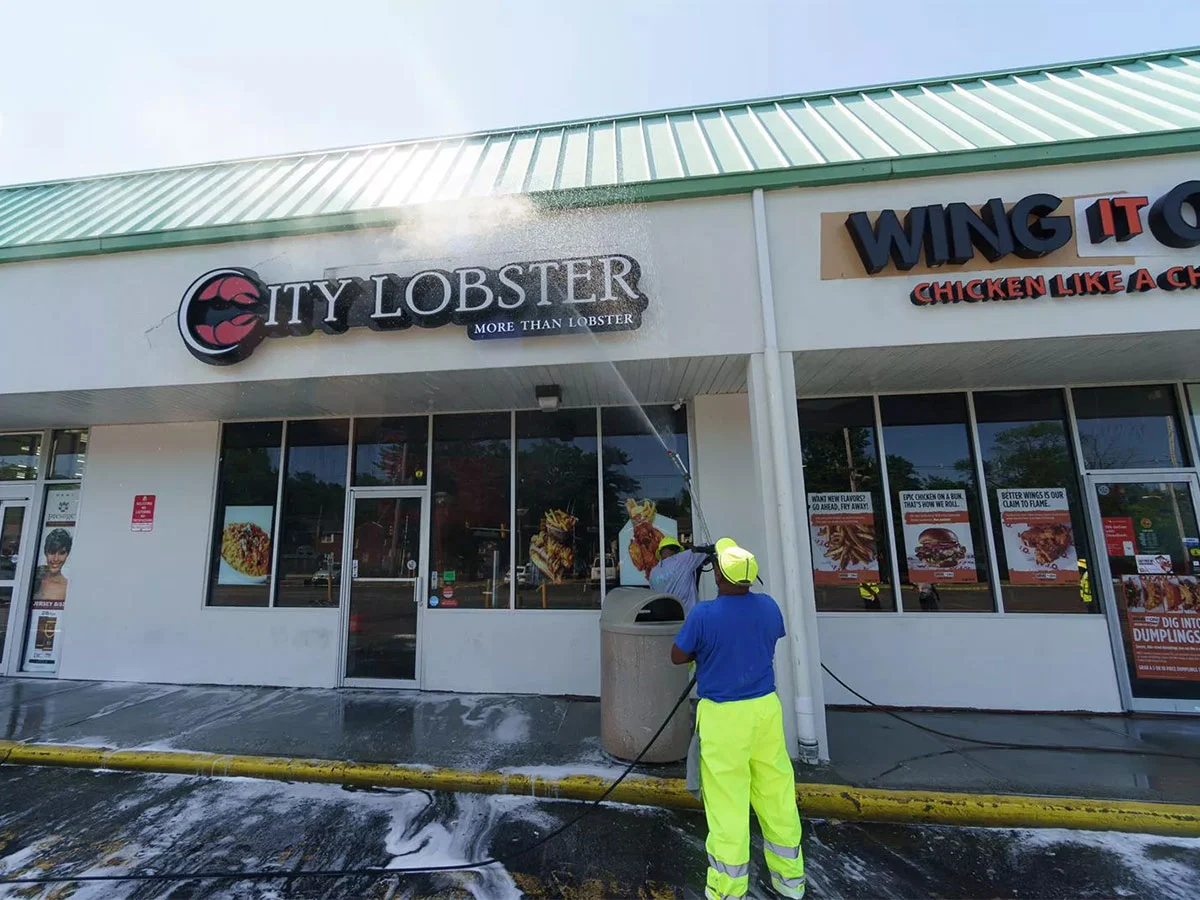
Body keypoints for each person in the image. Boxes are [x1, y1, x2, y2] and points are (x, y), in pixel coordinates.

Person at [670, 538, 805, 900]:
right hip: (765, 711)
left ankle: (728, 891)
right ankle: (791, 883)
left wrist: (705, 645)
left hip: (723, 717)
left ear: (717, 573)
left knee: (728, 805)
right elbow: (768, 636)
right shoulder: (768, 607)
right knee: (776, 796)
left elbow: (677, 656)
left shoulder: (704, 615)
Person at [650, 535, 714, 616]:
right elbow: (706, 548)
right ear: (676, 550)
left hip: (667, 621)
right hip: (688, 618)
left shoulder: (653, 573)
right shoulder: (682, 559)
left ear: (660, 552)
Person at [32, 528, 72, 602]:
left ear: (67, 554)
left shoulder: (68, 587)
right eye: (52, 552)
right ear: (45, 552)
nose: (56, 559)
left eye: (62, 553)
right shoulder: (33, 577)